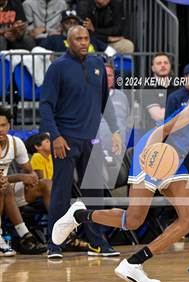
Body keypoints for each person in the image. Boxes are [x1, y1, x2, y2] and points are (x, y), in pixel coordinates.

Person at [51, 77, 189, 282]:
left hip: (177, 161)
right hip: (155, 149)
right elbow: (164, 129)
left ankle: (134, 263)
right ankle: (79, 215)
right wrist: (149, 159)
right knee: (134, 220)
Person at [39, 25, 123, 259]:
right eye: (78, 39)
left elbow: (105, 101)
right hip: (65, 140)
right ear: (68, 42)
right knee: (61, 193)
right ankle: (53, 244)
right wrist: (55, 136)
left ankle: (97, 243)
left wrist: (115, 130)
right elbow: (45, 105)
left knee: (94, 194)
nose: (83, 42)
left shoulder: (97, 64)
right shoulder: (58, 68)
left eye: (86, 38)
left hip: (92, 139)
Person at [0, 107, 47, 255]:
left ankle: (60, 235)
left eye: (3, 125)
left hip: (6, 192)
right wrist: (20, 177)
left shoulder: (15, 143)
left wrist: (33, 177)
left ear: (9, 126)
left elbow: (30, 170)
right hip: (4, 189)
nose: (0, 129)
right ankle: (23, 236)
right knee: (4, 186)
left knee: (47, 184)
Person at [40, 10, 116, 56]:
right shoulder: (54, 39)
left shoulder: (90, 39)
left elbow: (110, 51)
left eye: (74, 23)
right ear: (61, 25)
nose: (72, 26)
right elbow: (36, 50)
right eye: (68, 23)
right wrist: (50, 56)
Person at [141, 53, 177, 129]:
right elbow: (158, 116)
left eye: (166, 63)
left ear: (170, 66)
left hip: (177, 132)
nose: (163, 65)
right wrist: (179, 108)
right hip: (156, 134)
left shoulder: (177, 86)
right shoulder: (148, 88)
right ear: (153, 68)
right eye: (159, 63)